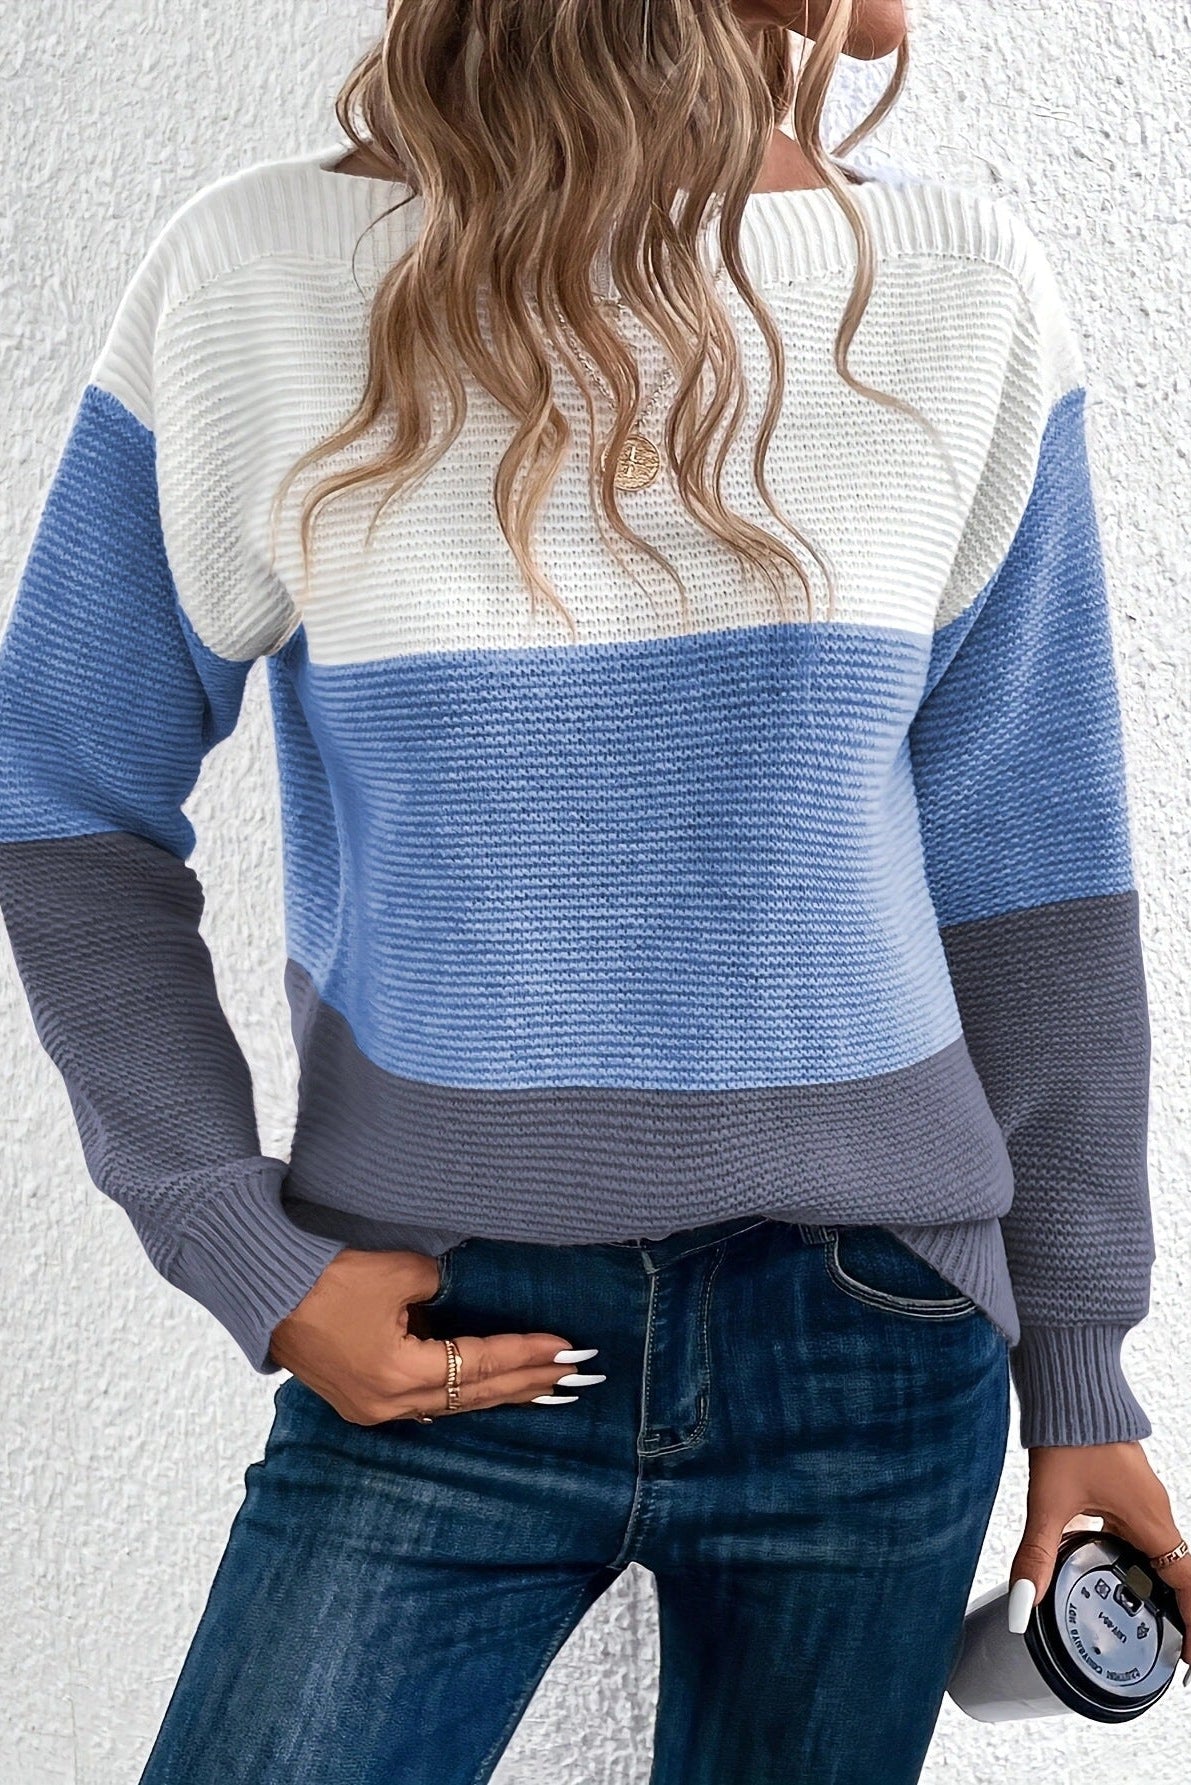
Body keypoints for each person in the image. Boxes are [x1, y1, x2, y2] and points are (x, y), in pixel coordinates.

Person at [0, 2, 1186, 1779]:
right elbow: (59, 794)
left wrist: (1081, 1373)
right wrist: (241, 1244)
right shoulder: (263, 275)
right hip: (436, 1332)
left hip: (874, 1350)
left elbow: (1034, 883)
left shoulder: (960, 289)